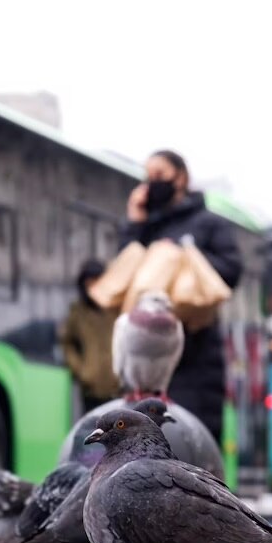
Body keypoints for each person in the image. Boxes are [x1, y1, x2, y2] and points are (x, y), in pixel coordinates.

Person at [120, 149, 242, 442]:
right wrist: (135, 222)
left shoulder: (210, 223)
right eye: (148, 177)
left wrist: (183, 258)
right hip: (147, 355)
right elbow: (123, 274)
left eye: (159, 175)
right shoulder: (148, 226)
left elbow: (231, 271)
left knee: (191, 438)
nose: (152, 183)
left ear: (181, 178)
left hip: (196, 355)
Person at [60, 259, 120, 413]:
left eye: (97, 282)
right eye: (89, 283)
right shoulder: (78, 312)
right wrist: (81, 370)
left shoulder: (116, 308)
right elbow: (67, 343)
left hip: (118, 387)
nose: (93, 287)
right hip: (91, 389)